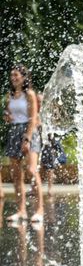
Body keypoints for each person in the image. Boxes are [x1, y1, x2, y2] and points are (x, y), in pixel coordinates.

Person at [4, 64, 44, 222]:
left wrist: (27, 139)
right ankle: (21, 211)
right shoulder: (11, 95)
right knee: (16, 174)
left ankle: (39, 210)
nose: (13, 78)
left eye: (16, 75)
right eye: (11, 75)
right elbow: (9, 115)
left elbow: (33, 118)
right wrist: (7, 117)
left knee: (32, 171)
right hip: (14, 131)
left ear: (23, 77)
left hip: (29, 132)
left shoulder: (30, 94)